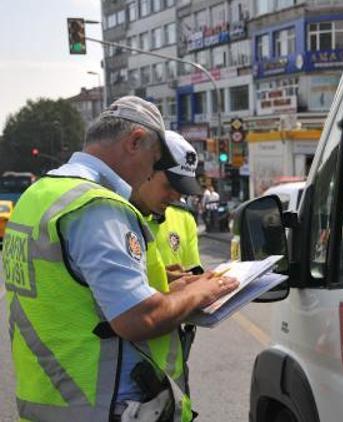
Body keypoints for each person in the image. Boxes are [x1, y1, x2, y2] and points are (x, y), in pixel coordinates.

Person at [2, 96, 238, 421]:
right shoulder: (98, 206)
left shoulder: (39, 195)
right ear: (135, 141)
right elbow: (137, 318)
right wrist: (198, 292)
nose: (148, 175)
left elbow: (68, 287)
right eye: (154, 162)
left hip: (46, 403)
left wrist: (166, 282)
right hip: (99, 406)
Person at [130, 130, 205, 373]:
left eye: (182, 188)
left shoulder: (182, 218)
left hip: (171, 364)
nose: (177, 196)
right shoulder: (112, 218)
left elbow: (192, 276)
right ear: (146, 170)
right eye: (170, 185)